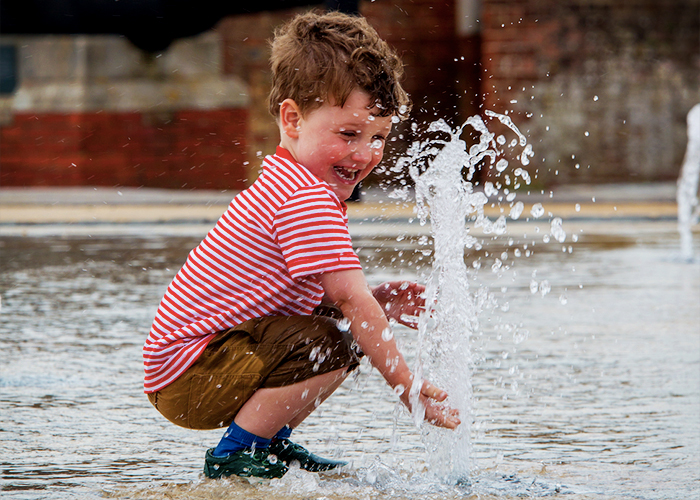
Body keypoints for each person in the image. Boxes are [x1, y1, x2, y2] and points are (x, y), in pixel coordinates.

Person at [143, 10, 460, 480]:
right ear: (292, 119)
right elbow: (349, 300)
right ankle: (239, 451)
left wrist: (380, 302)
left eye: (379, 137)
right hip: (192, 373)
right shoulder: (305, 197)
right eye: (349, 133)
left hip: (195, 365)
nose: (365, 154)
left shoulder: (293, 183)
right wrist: (406, 386)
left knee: (335, 336)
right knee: (331, 344)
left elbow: (321, 297)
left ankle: (267, 444)